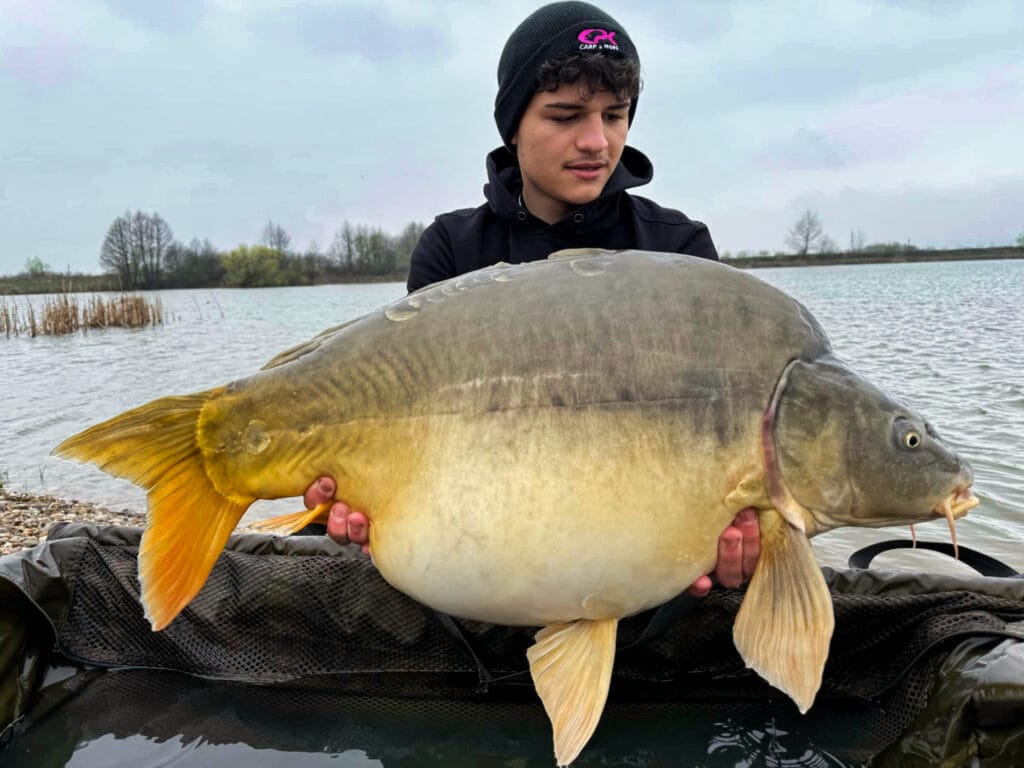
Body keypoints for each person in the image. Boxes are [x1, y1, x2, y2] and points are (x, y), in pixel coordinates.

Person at [304, 1, 760, 597]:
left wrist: (739, 537)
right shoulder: (452, 248)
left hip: (639, 567)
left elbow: (719, 438)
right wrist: (358, 499)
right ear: (513, 124)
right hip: (485, 563)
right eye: (565, 115)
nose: (596, 141)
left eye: (615, 115)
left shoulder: (679, 252)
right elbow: (406, 428)